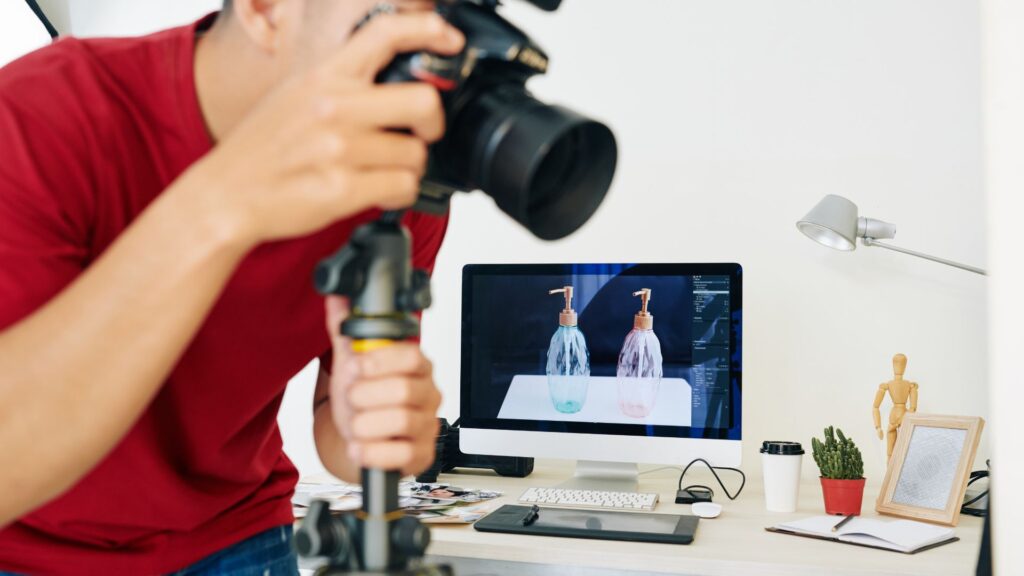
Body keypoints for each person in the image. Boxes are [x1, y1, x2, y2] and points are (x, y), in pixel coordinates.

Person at [0, 1, 464, 573]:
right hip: (27, 547)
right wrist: (225, 204)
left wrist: (371, 431)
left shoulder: (394, 178)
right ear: (266, 10)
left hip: (237, 538)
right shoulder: (38, 114)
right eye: (391, 26)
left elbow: (337, 417)